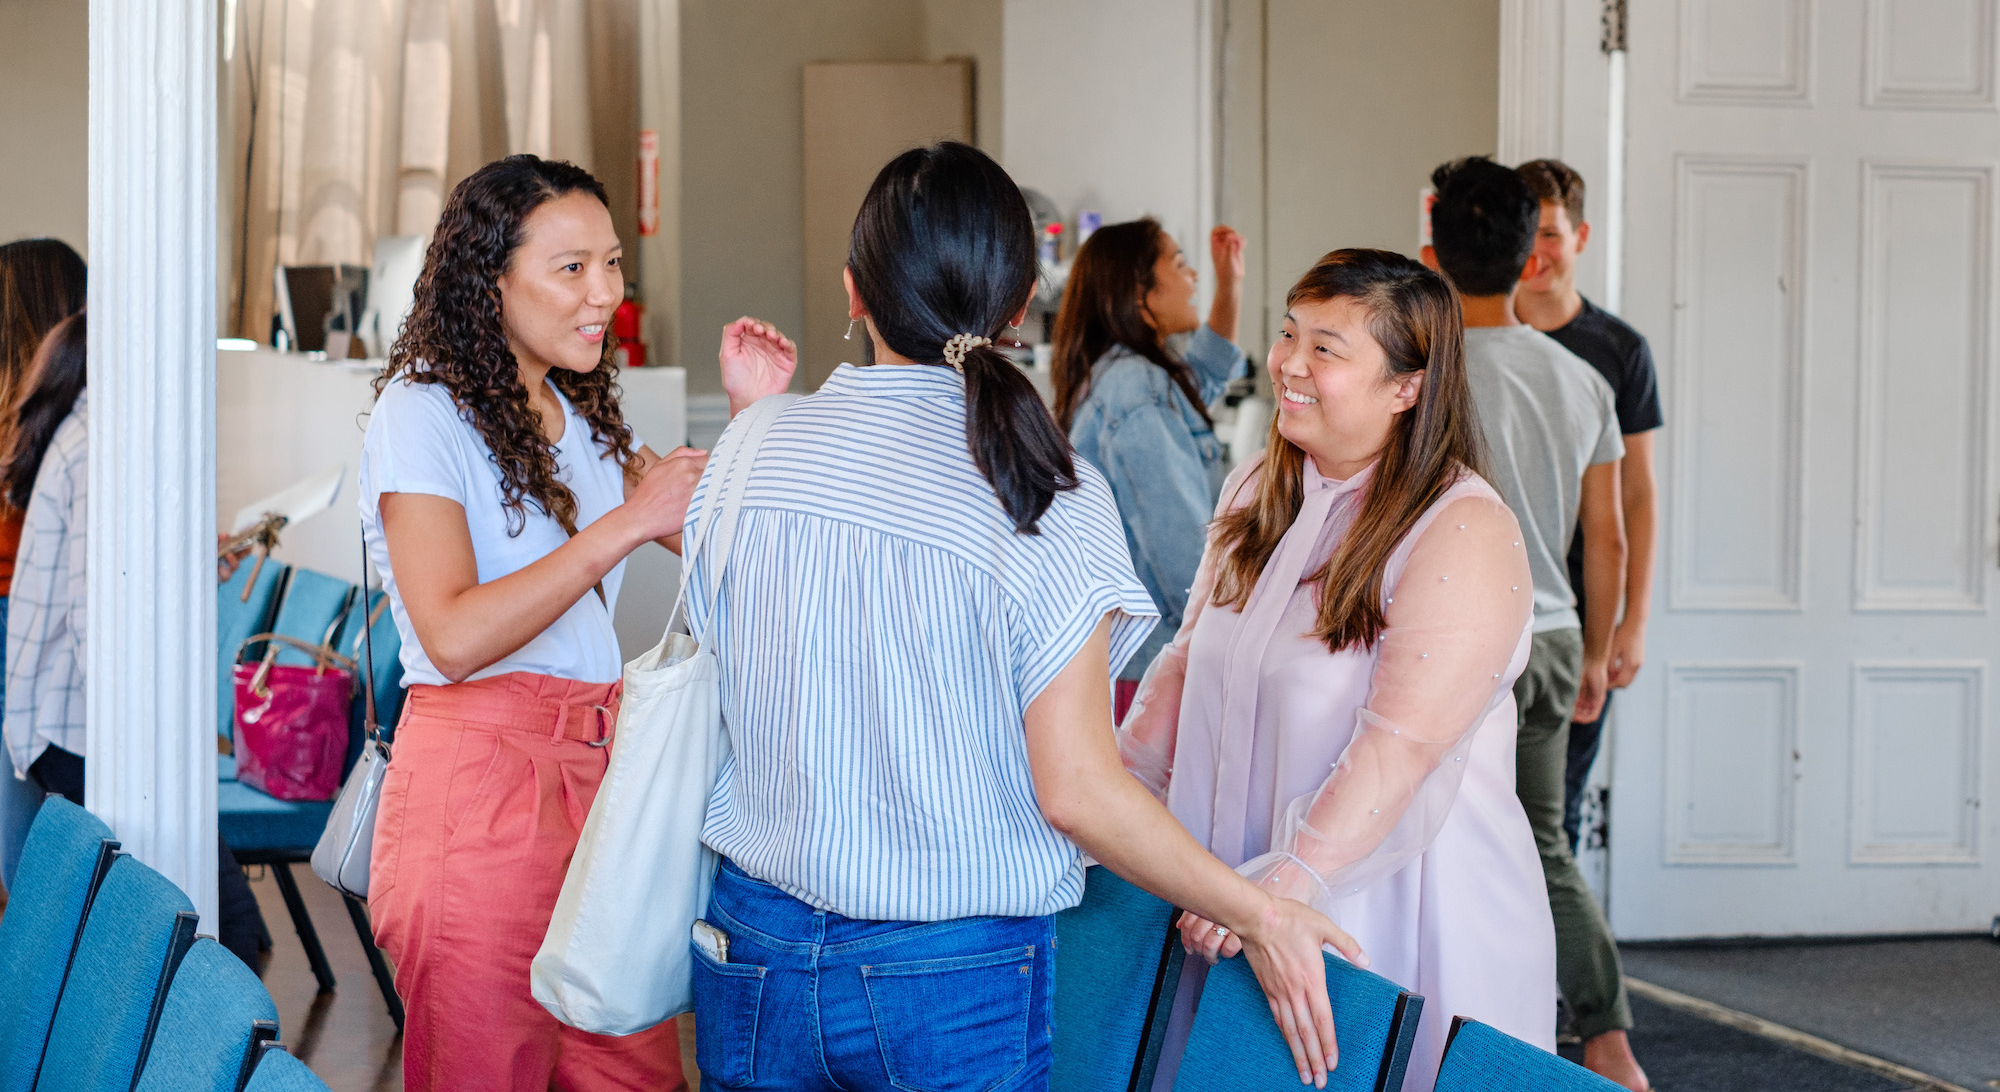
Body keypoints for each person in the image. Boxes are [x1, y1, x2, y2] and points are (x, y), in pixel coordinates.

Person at [684, 142, 1358, 1092]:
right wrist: (1259, 910)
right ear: (1015, 308)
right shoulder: (1043, 489)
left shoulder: (750, 445)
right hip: (950, 971)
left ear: (852, 292)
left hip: (750, 945)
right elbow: (1075, 789)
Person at [360, 154, 791, 1090]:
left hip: (601, 777)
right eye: (571, 269)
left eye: (610, 264)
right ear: (491, 279)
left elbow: (741, 551)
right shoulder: (420, 411)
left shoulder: (578, 413)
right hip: (476, 789)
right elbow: (455, 634)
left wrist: (758, 419)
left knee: (634, 1070)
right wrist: (625, 523)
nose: (603, 294)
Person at [1117, 247, 1557, 1088]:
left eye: (1328, 347)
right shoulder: (1254, 488)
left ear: (1408, 386)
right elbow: (1184, 664)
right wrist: (1115, 805)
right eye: (1289, 333)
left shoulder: (1459, 527)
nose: (1289, 362)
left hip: (1388, 910)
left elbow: (1401, 744)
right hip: (1232, 900)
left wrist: (1287, 885)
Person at [1423, 158, 1646, 1091]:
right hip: (1552, 636)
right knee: (1542, 844)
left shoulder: (1421, 375)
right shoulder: (1579, 379)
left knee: (1434, 842)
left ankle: (1453, 1035)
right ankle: (1608, 1043)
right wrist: (1595, 650)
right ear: (1530, 257)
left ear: (1431, 248)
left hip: (1453, 641)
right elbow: (1609, 536)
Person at [0, 311, 270, 966]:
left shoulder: (90, 433)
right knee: (228, 935)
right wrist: (147, 737)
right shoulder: (103, 447)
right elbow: (99, 612)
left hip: (72, 728)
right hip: (86, 730)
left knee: (191, 936)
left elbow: (117, 580)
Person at [1514, 160, 1661, 854]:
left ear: (1581, 236)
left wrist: (1628, 623)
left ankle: (1555, 966)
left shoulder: (1619, 350)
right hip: (1487, 603)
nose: (1537, 252)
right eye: (1528, 233)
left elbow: (1637, 493)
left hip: (1577, 617)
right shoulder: (1474, 333)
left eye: (1552, 233)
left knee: (1554, 821)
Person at [1054, 219, 1248, 714]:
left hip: (1132, 661)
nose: (1194, 279)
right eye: (1180, 265)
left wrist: (1231, 284)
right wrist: (1233, 641)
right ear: (1140, 293)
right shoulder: (1137, 389)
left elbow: (1205, 372)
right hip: (1150, 666)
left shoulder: (1128, 375)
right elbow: (1179, 548)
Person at [0, 239, 85, 898]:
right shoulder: (50, 431)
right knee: (36, 871)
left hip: (25, 633)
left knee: (28, 864)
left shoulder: (41, 427)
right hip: (29, 635)